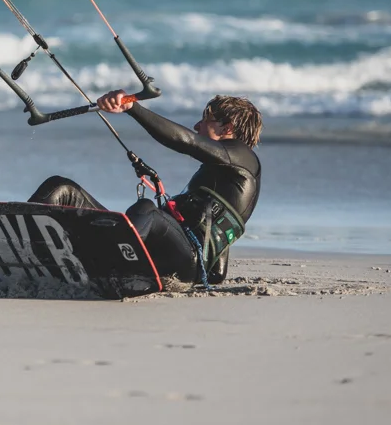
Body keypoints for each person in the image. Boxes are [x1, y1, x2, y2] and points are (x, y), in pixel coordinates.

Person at [29, 92, 262, 285]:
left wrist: (133, 108)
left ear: (227, 128)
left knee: (147, 208)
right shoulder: (219, 176)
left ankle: (104, 253)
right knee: (60, 188)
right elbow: (218, 267)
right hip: (157, 249)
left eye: (206, 120)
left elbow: (187, 141)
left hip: (183, 260)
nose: (197, 125)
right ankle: (22, 238)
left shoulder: (245, 158)